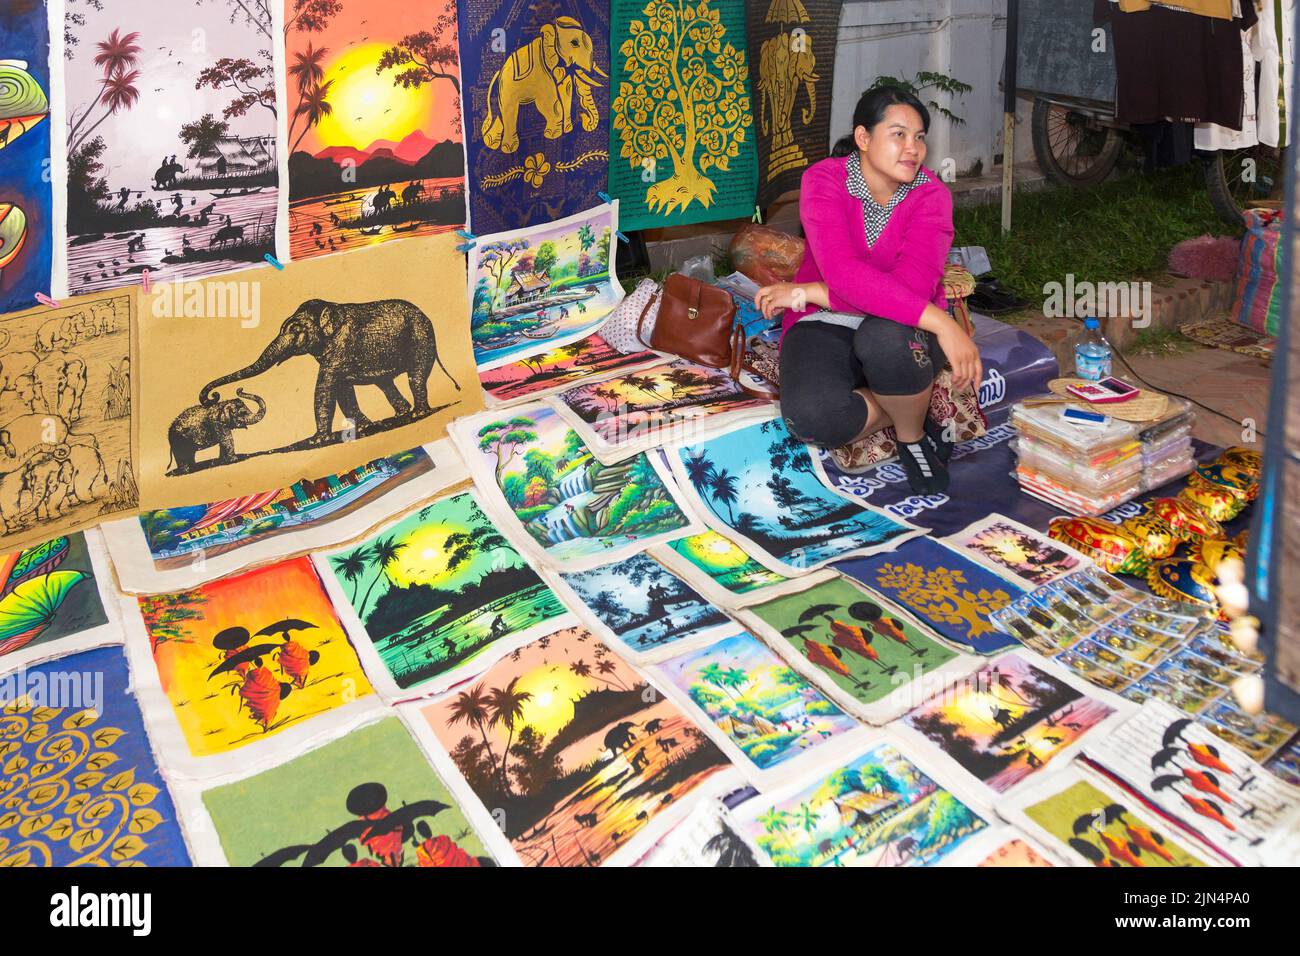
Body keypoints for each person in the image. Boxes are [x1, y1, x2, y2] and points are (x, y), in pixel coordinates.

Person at [754, 87, 982, 494]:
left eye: (919, 137)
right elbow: (844, 274)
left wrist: (812, 291)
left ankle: (912, 435)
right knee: (811, 419)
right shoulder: (824, 180)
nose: (912, 148)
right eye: (898, 134)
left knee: (884, 338)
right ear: (863, 138)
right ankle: (907, 400)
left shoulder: (931, 196)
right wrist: (942, 324)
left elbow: (909, 290)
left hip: (897, 325)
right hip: (825, 321)